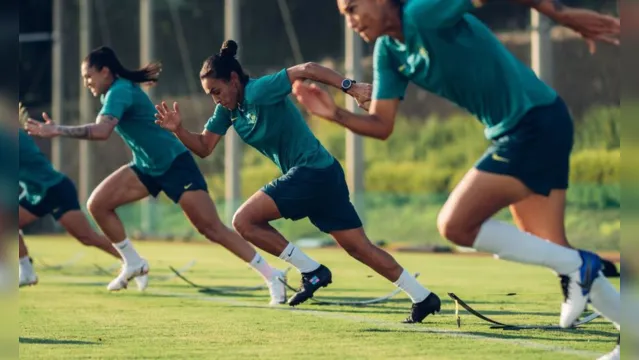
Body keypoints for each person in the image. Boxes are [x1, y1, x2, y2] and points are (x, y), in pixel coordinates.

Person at [292, 0, 621, 348]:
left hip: (533, 122)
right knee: (551, 248)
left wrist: (563, 16)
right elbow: (382, 124)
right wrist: (335, 115)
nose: (351, 22)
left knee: (456, 225)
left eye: (354, 8)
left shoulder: (423, 12)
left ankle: (579, 264)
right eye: (344, 14)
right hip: (527, 126)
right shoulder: (389, 52)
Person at [154, 39, 441, 323]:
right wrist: (178, 129)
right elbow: (204, 147)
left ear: (233, 79)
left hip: (313, 171)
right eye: (209, 94)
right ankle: (423, 297)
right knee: (358, 248)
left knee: (244, 220)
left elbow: (307, 68)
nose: (215, 98)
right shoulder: (228, 111)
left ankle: (312, 270)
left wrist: (350, 88)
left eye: (216, 91)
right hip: (321, 174)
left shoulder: (258, 90)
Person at [24, 46, 286, 304]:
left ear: (105, 71)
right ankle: (134, 262)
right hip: (146, 166)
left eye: (88, 76)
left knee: (211, 228)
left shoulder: (120, 90)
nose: (87, 83)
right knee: (98, 204)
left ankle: (272, 275)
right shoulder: (112, 94)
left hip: (174, 164)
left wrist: (58, 130)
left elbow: (102, 132)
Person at [17, 125, 123, 287]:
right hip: (35, 192)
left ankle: (131, 261)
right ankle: (26, 271)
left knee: (87, 237)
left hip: (55, 190)